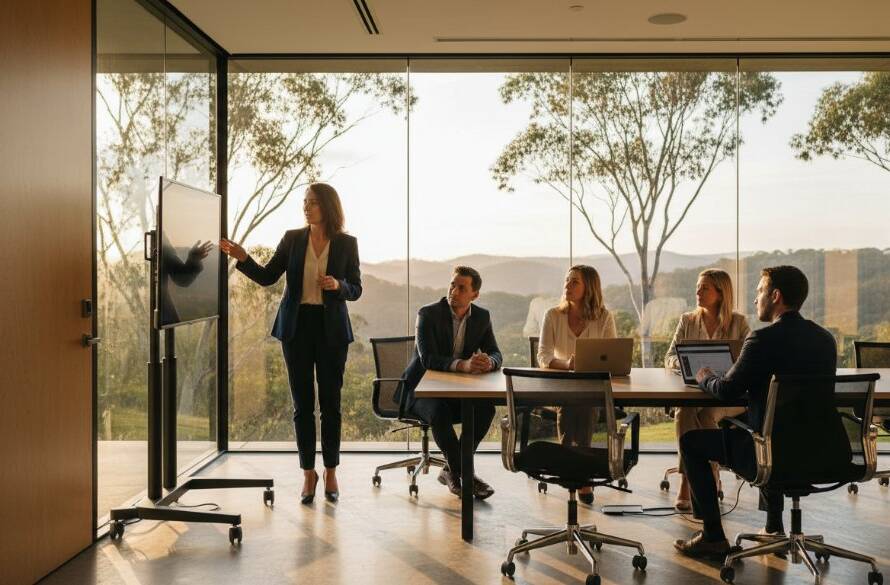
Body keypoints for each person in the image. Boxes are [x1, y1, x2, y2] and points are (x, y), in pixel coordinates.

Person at [674, 265, 837, 558]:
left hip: (769, 454)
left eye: (760, 291)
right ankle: (773, 526)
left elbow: (726, 391)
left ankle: (712, 535)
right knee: (770, 429)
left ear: (775, 296)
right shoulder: (826, 340)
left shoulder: (762, 340)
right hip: (822, 453)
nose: (755, 299)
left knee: (693, 442)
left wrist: (704, 378)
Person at [219, 183, 361, 505]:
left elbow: (356, 288)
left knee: (331, 405)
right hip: (296, 329)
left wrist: (338, 285)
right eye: (304, 203)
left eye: (312, 203)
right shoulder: (292, 239)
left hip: (332, 331)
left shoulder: (346, 243)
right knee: (302, 406)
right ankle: (308, 473)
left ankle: (331, 470)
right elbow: (269, 276)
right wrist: (244, 259)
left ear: (327, 206)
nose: (306, 208)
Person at [397, 266, 502, 499]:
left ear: (474, 295)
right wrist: (463, 365)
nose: (453, 290)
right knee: (439, 412)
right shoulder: (428, 314)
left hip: (455, 391)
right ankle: (464, 473)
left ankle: (450, 470)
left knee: (485, 409)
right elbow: (428, 358)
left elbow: (496, 352)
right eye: (452, 284)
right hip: (420, 390)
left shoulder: (481, 317)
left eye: (461, 287)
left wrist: (489, 363)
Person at [664, 269, 751, 511]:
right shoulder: (687, 321)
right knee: (685, 412)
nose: (698, 292)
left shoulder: (739, 323)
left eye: (705, 288)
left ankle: (704, 479)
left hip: (727, 394)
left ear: (721, 293)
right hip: (695, 391)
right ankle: (688, 479)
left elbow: (749, 360)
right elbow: (670, 356)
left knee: (707, 415)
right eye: (698, 287)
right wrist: (684, 366)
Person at [537, 265, 616, 504]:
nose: (567, 286)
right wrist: (568, 365)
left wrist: (588, 366)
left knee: (583, 405)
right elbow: (543, 356)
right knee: (575, 405)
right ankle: (581, 474)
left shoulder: (604, 317)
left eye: (574, 282)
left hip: (593, 389)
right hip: (561, 387)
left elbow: (612, 357)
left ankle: (570, 467)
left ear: (589, 287)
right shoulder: (553, 315)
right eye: (567, 281)